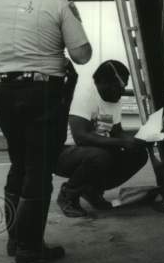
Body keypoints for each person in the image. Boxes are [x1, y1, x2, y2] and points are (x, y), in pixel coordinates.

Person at [0, 0, 92, 263]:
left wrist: (13, 56)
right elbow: (81, 54)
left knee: (18, 164)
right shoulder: (58, 2)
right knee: (39, 170)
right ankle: (29, 248)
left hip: (6, 91)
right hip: (43, 93)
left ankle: (15, 240)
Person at [55, 60, 149, 217]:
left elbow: (116, 133)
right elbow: (81, 137)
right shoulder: (85, 95)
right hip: (62, 152)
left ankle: (92, 190)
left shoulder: (113, 99)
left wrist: (140, 139)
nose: (123, 90)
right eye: (120, 86)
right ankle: (68, 195)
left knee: (138, 155)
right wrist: (122, 142)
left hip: (90, 152)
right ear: (104, 83)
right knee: (100, 156)